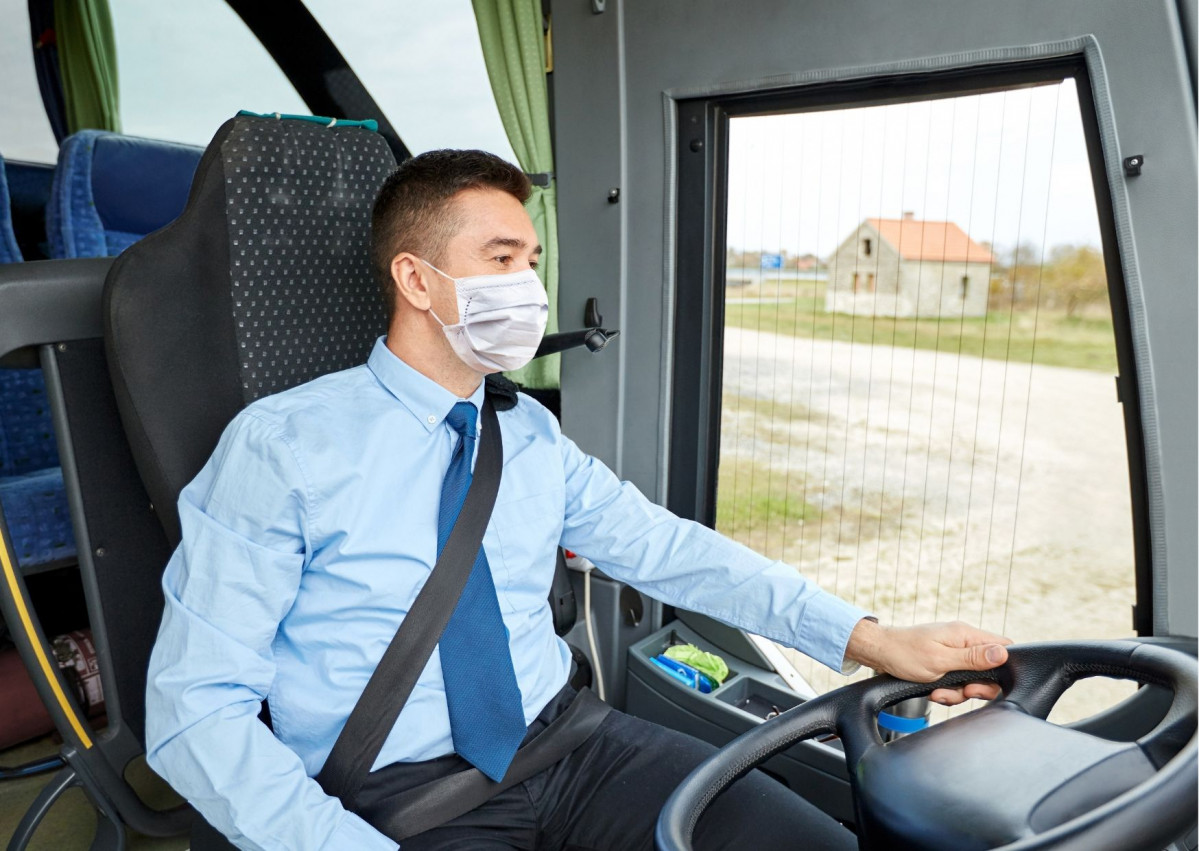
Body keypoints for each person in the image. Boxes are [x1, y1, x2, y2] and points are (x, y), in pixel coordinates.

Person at [144, 149, 1012, 851]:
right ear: (415, 280)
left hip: (574, 743)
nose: (529, 285)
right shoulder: (283, 445)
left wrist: (868, 636)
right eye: (500, 260)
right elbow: (195, 711)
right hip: (401, 796)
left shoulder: (525, 436)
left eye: (532, 261)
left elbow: (671, 550)